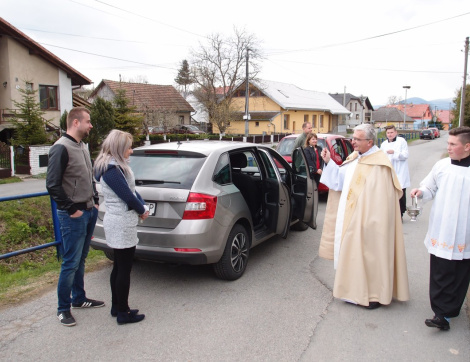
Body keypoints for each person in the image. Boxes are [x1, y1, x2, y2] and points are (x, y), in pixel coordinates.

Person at [319, 124, 409, 309]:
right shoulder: (355, 158)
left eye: (357, 139)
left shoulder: (379, 164)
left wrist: (372, 219)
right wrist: (329, 162)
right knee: (353, 255)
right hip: (352, 217)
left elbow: (382, 200)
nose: (353, 142)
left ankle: (373, 295)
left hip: (371, 222)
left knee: (372, 255)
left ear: (369, 142)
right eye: (353, 138)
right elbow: (339, 181)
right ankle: (353, 292)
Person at [46, 107, 104, 327]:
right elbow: (52, 184)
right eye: (88, 122)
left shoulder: (82, 147)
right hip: (74, 215)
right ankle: (63, 309)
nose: (91, 125)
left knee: (80, 259)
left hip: (88, 210)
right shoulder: (61, 148)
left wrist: (95, 199)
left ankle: (79, 298)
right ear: (76, 123)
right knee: (70, 262)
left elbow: (88, 177)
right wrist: (71, 209)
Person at [410, 126, 470, 331]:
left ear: (467, 146)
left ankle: (452, 309)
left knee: (461, 273)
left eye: (453, 144)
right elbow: (430, 187)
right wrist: (420, 192)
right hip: (442, 228)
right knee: (440, 271)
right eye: (448, 143)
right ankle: (440, 313)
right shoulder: (442, 165)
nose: (449, 147)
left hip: (466, 231)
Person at [94, 130, 148, 325]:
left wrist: (141, 206)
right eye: (129, 147)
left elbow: (132, 191)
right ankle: (123, 312)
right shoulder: (111, 170)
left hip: (119, 220)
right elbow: (127, 195)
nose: (131, 151)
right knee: (124, 268)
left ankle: (117, 307)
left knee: (119, 266)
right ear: (119, 148)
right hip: (121, 222)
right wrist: (142, 210)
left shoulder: (113, 167)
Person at [380, 125, 410, 219]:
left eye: (391, 132)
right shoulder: (384, 144)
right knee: (390, 193)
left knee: (400, 192)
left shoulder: (402, 141)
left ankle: (400, 213)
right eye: (388, 133)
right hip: (389, 171)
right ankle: (391, 214)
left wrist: (394, 153)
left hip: (400, 170)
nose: (390, 134)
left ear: (396, 132)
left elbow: (405, 155)